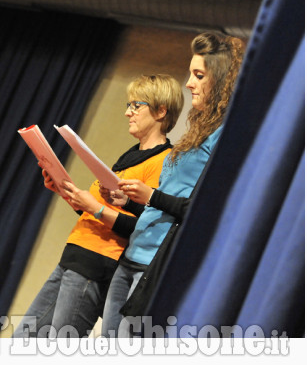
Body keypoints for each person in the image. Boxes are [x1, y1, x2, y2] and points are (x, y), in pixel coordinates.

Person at [12, 74, 184, 338]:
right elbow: (97, 211)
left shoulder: (164, 161)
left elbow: (143, 226)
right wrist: (66, 193)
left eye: (136, 106)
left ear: (161, 111)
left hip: (97, 264)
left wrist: (96, 208)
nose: (128, 113)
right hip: (75, 255)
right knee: (23, 340)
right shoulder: (130, 155)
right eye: (129, 106)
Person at [100, 32, 245, 337]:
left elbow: (204, 209)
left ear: (221, 80)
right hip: (132, 253)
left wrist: (151, 196)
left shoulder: (227, 135)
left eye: (199, 75)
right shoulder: (198, 129)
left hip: (155, 264)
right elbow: (166, 198)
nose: (189, 82)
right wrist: (130, 202)